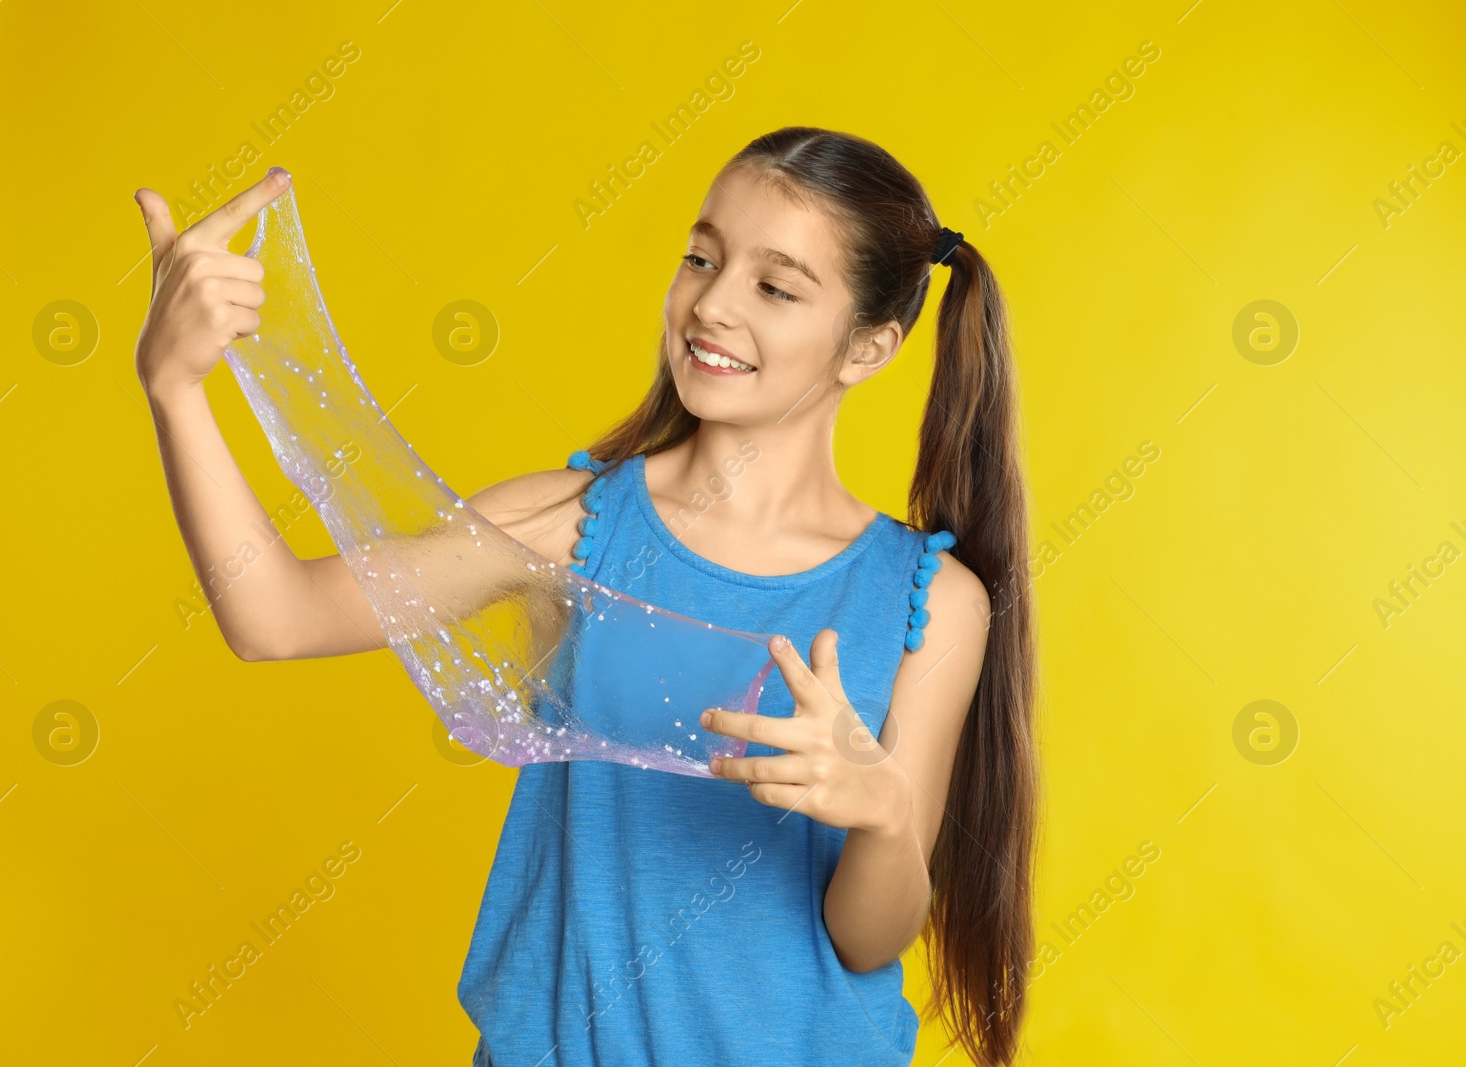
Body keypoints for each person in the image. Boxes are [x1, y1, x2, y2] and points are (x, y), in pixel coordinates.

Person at [131, 125, 1038, 1067]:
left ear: (867, 347)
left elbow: (866, 938)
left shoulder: (929, 601)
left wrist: (881, 809)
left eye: (775, 286)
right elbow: (276, 616)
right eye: (700, 258)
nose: (712, 303)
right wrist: (175, 384)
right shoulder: (567, 527)